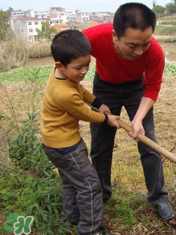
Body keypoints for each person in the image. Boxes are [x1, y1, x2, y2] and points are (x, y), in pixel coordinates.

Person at [82, 2, 173, 221]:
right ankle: (101, 195)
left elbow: (152, 88)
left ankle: (158, 197)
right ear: (115, 36)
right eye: (132, 45)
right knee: (100, 146)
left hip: (137, 89)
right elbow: (67, 61)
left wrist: (138, 119)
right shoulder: (91, 38)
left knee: (148, 142)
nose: (139, 51)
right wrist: (91, 100)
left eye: (145, 43)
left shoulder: (155, 52)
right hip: (104, 87)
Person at [40, 30, 120, 235]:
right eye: (79, 67)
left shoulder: (63, 75)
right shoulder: (63, 94)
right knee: (90, 186)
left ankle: (70, 218)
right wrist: (106, 118)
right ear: (60, 65)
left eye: (88, 64)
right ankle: (90, 230)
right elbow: (85, 114)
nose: (85, 70)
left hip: (54, 143)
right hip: (66, 147)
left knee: (71, 181)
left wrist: (98, 102)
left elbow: (80, 89)